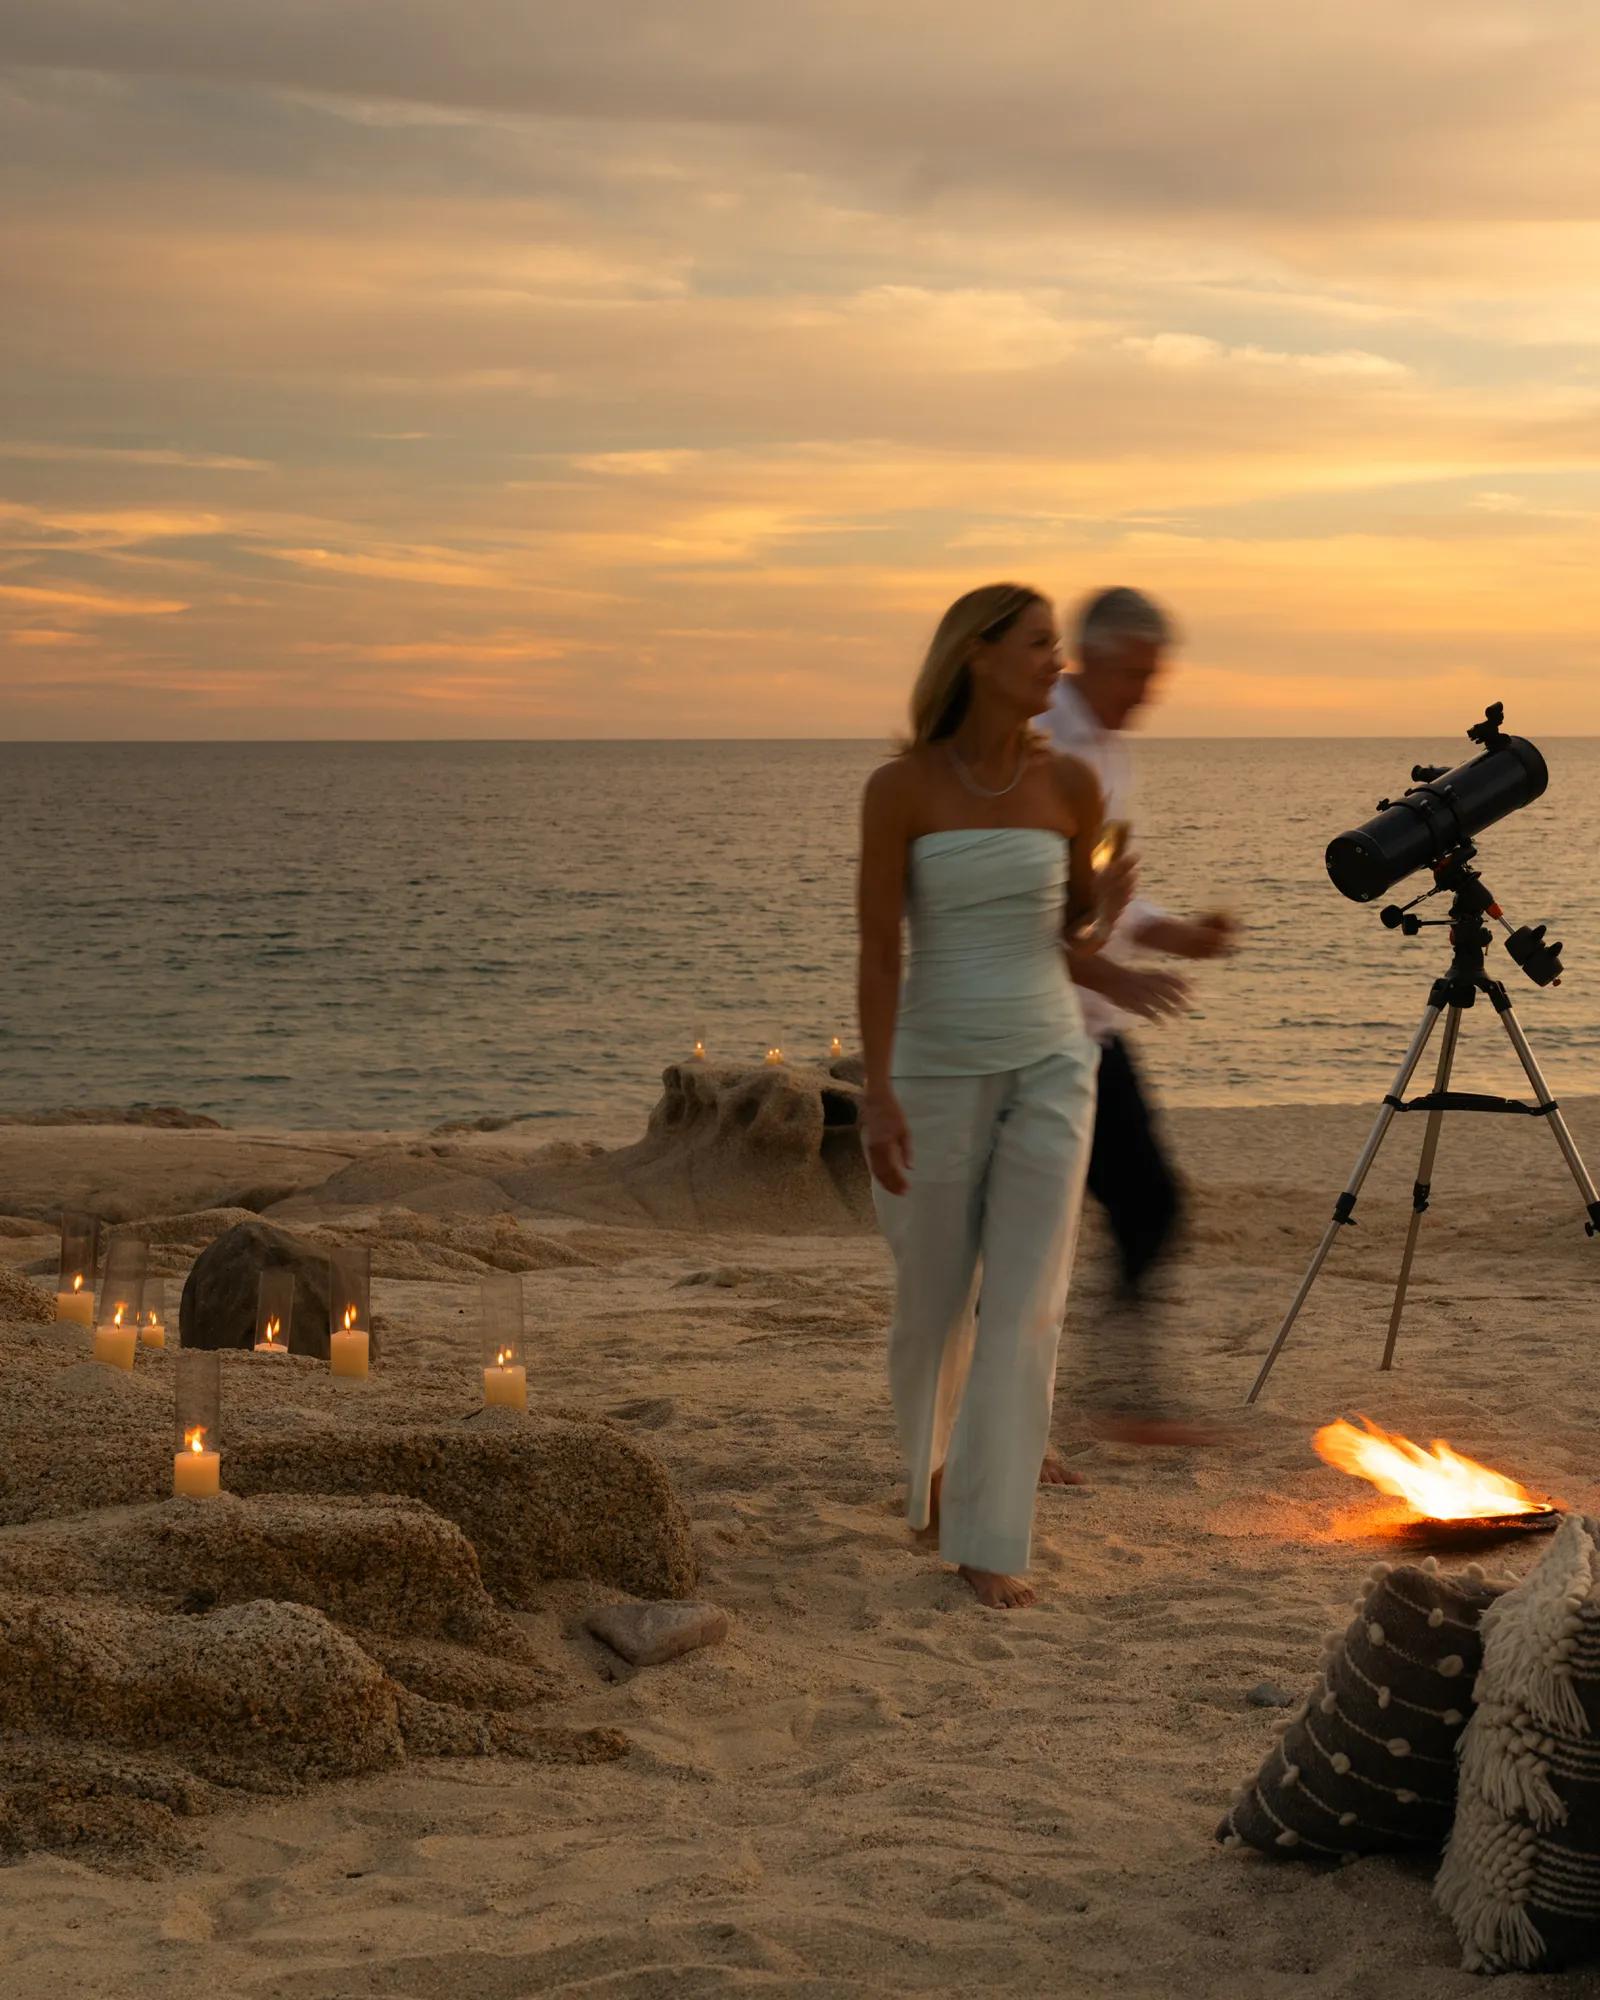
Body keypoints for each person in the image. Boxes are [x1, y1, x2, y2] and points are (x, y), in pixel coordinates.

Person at [857, 582, 1121, 1610]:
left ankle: (986, 1533)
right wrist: (877, 1093)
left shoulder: (1071, 784)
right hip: (931, 1068)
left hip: (1052, 1062)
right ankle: (928, 1471)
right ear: (976, 654)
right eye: (1038, 644)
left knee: (1025, 1302)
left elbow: (1070, 930)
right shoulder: (901, 787)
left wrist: (1107, 911)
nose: (1057, 662)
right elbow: (881, 952)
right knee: (931, 1304)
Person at [1038, 586, 1236, 1440]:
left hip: (1089, 1022)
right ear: (1093, 655)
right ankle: (1090, 1402)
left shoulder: (1109, 752)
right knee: (1074, 1216)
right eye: (1137, 674)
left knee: (1147, 1205)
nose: (1149, 694)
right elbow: (1023, 898)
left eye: (1157, 677)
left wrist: (1175, 934)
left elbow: (1108, 888)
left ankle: (1112, 1398)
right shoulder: (1044, 740)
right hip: (1039, 1024)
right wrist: (1112, 977)